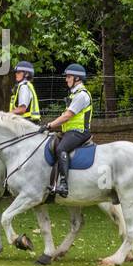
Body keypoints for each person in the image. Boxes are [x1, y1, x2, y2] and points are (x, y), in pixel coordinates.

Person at [44, 63, 93, 197]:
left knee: (61, 149)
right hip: (70, 131)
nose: (66, 79)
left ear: (77, 78)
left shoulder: (81, 95)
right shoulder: (74, 94)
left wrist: (50, 125)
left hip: (79, 132)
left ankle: (64, 185)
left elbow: (67, 115)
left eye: (69, 77)